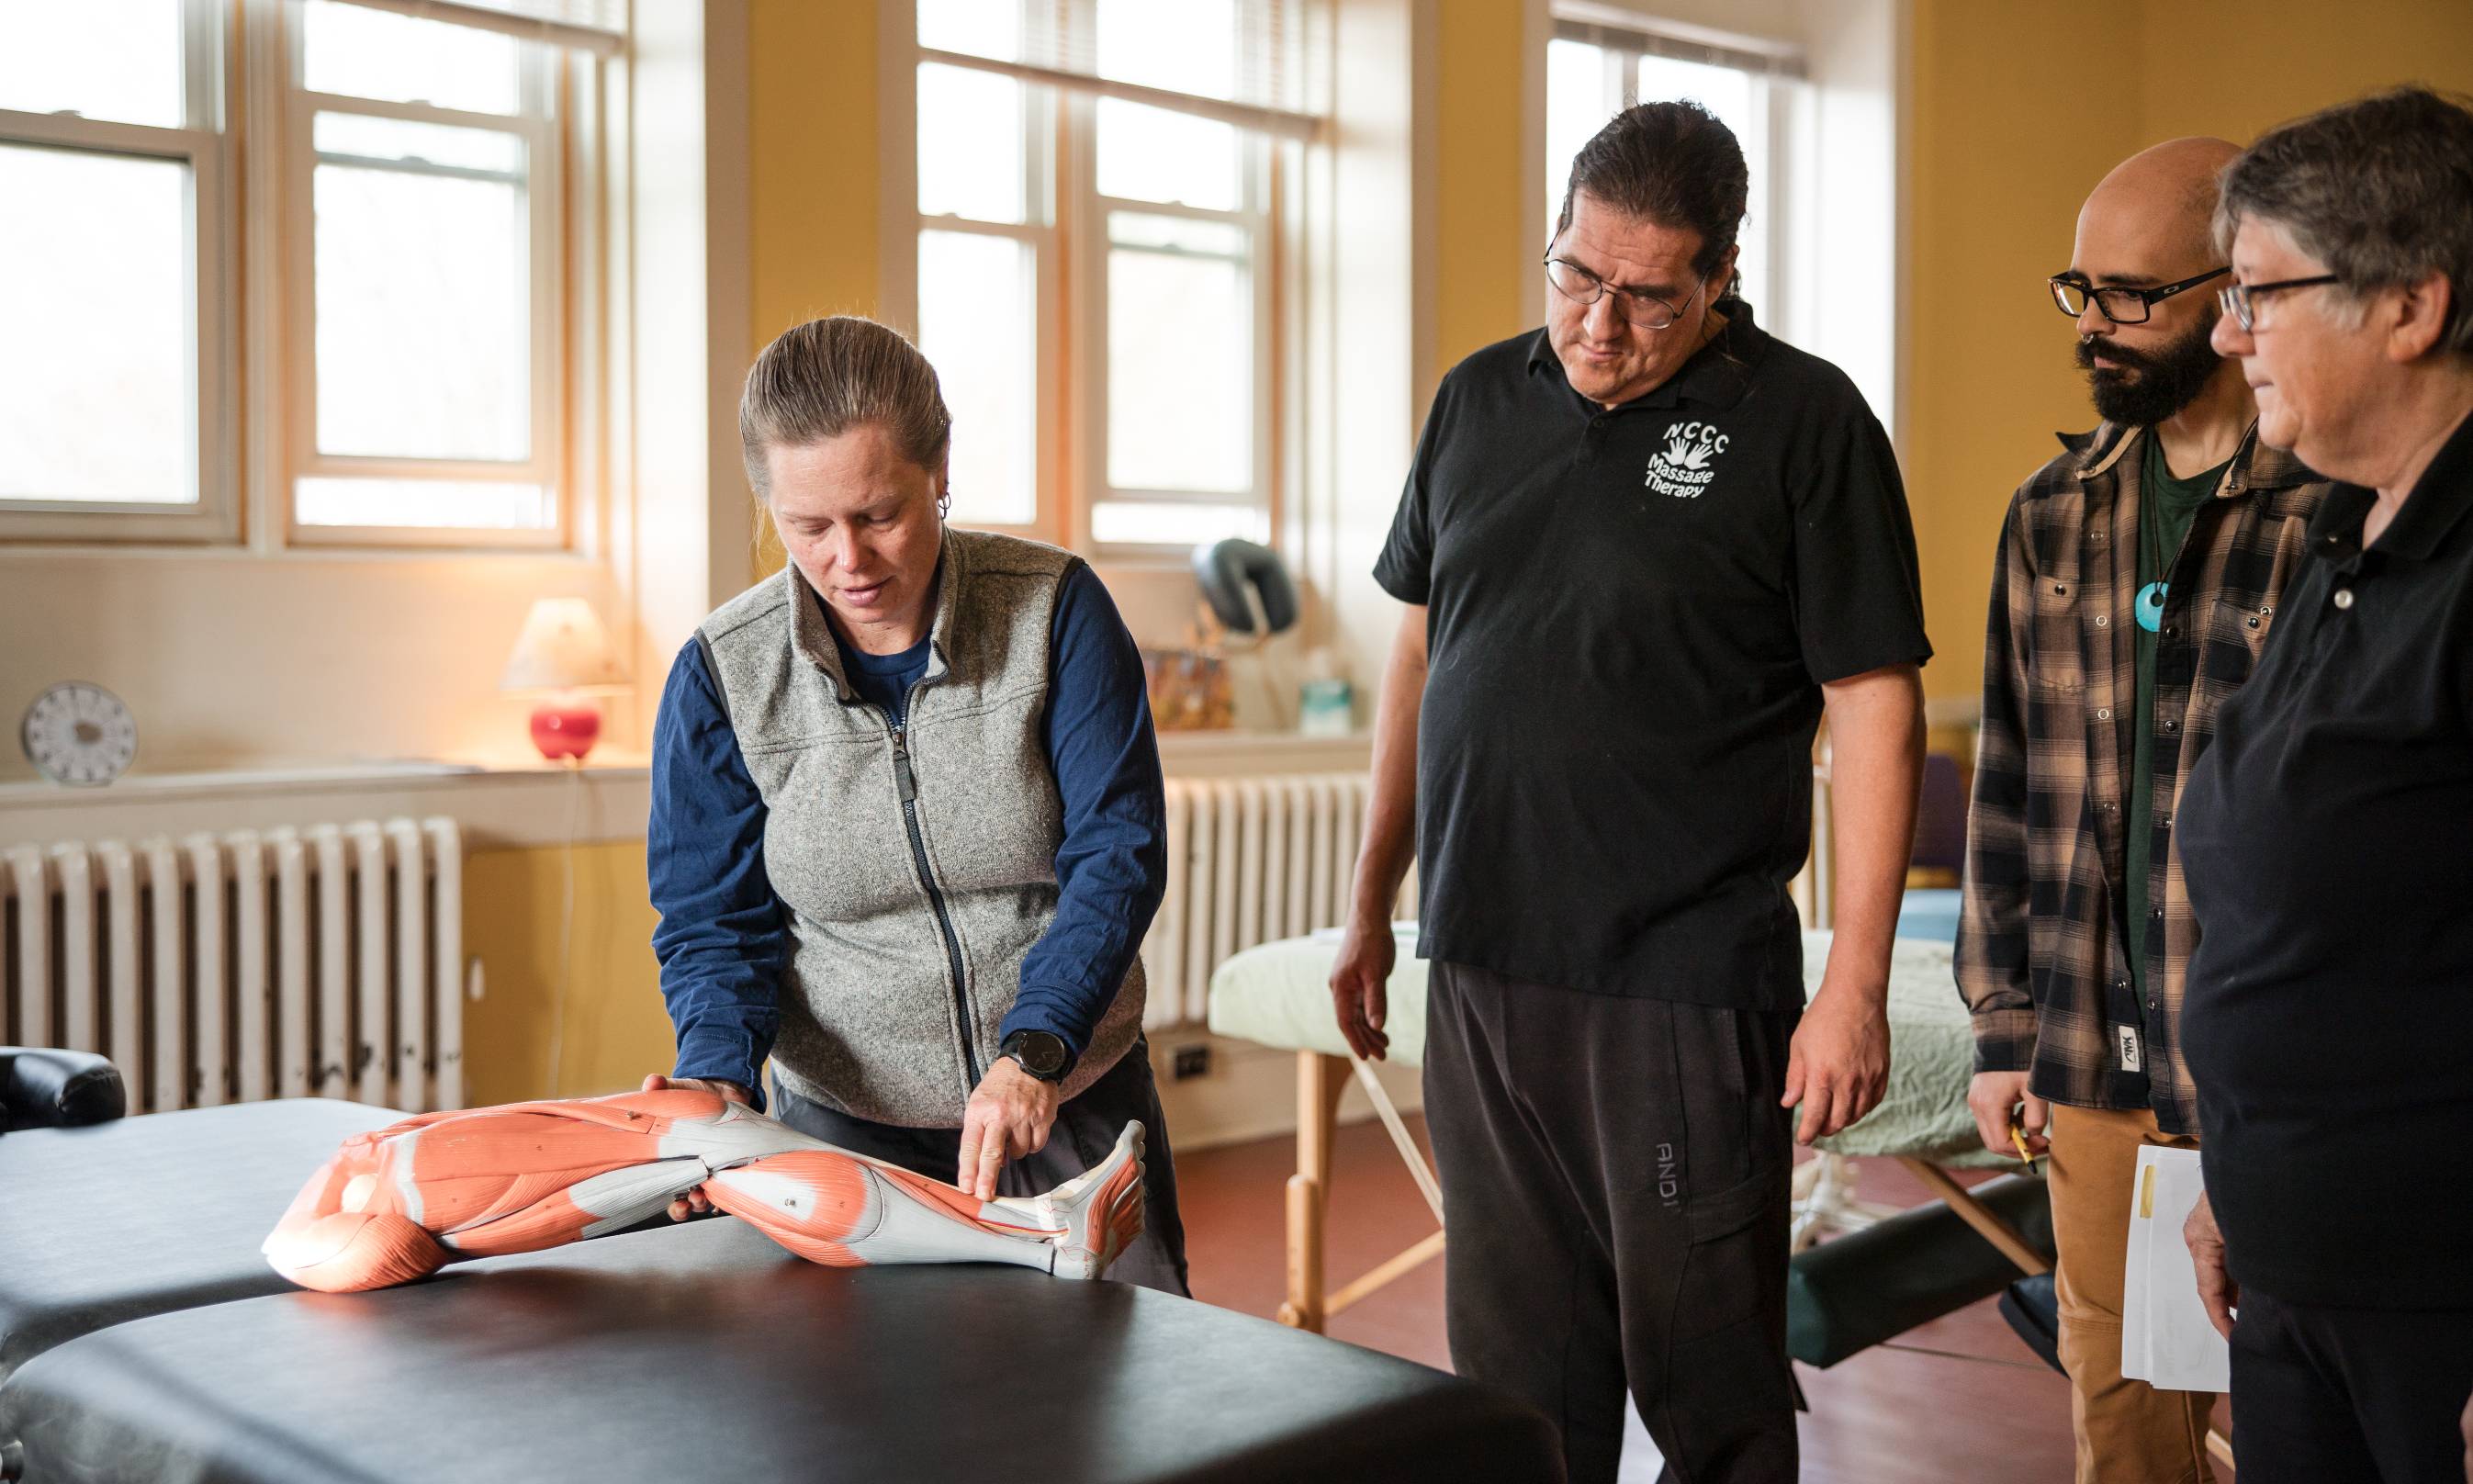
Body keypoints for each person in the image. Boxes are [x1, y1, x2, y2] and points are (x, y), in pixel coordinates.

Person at [1328, 101, 1929, 1482]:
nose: (1597, 325)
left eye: (1648, 297)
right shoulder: (1476, 399)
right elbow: (1420, 654)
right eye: (1575, 274)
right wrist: (1370, 901)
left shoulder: (1805, 422)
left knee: (1707, 1381)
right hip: (1480, 960)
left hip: (1678, 984)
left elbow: (1872, 703)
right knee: (1516, 1386)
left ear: (1721, 276)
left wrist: (1854, 985)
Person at [645, 315, 1187, 1296]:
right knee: (867, 1388)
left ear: (938, 470)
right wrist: (715, 1079)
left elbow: (1117, 853)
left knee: (1132, 1375)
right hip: (844, 1125)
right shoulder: (722, 673)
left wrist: (1037, 1047)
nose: (848, 558)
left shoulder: (1054, 609)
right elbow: (713, 920)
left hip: (1063, 1088)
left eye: (879, 514)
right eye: (809, 527)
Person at [1957, 138, 2329, 1484]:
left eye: (2128, 296)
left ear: (2233, 299)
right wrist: (2004, 1027)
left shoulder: (2336, 513)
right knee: (2117, 1411)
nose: (2093, 327)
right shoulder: (2050, 514)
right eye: (2080, 291)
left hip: (2274, 1067)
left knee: (2300, 1413)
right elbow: (2006, 786)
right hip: (2091, 1057)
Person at [2174, 86, 2473, 1482]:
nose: (2224, 335)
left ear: (2410, 305)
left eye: (2256, 293)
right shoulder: (2346, 530)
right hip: (2292, 1259)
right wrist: (2235, 1185)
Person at [263, 1088, 1148, 1292]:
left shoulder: (363, 1166)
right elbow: (388, 1250)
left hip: (612, 1127)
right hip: (530, 1179)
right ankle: (1038, 1233)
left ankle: (1038, 1231)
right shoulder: (331, 1222)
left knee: (721, 1152)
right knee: (720, 1159)